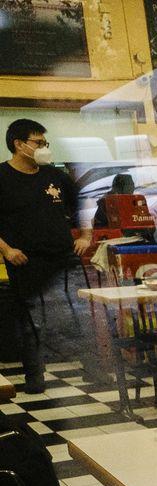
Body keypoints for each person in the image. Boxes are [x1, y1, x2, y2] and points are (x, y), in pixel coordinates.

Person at [0, 119, 92, 392]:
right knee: (31, 321)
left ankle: (94, 370)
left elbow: (83, 205)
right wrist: (6, 250)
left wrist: (85, 236)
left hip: (63, 257)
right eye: (38, 143)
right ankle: (34, 377)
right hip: (25, 260)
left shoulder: (55, 176)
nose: (43, 148)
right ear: (19, 144)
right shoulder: (2, 177)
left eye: (45, 143)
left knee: (78, 314)